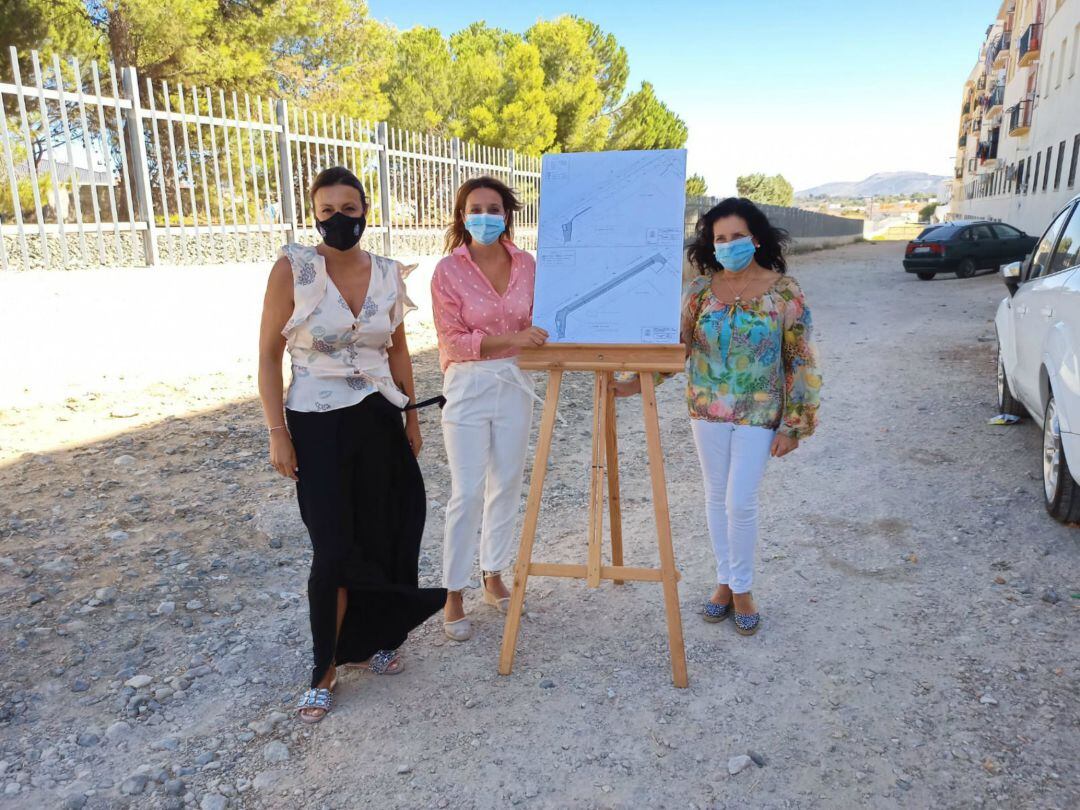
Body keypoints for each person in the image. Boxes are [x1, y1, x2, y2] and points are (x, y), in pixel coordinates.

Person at [257, 166, 446, 722]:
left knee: (393, 528)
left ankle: (383, 635)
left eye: (349, 208)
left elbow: (399, 351)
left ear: (366, 209)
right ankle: (324, 668)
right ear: (313, 213)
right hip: (316, 423)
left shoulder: (388, 273)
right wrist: (277, 433)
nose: (339, 219)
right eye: (327, 210)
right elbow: (269, 355)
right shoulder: (294, 268)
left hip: (380, 416)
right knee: (333, 547)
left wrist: (412, 418)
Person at [616, 197, 821, 636]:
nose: (728, 245)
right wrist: (636, 382)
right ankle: (724, 582)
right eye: (719, 238)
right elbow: (679, 348)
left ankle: (743, 588)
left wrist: (796, 424)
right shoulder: (700, 292)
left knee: (740, 502)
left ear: (756, 238)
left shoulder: (785, 290)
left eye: (736, 237)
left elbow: (800, 359)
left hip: (758, 412)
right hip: (706, 410)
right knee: (714, 497)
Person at [430, 176, 548, 642]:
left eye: (493, 207)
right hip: (469, 385)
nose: (485, 215)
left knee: (507, 483)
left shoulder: (528, 264)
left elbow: (545, 320)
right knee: (467, 491)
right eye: (475, 208)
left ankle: (492, 573)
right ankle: (453, 591)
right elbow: (453, 340)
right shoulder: (447, 271)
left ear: (507, 214)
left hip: (516, 382)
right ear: (462, 215)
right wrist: (511, 339)